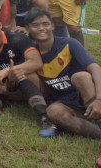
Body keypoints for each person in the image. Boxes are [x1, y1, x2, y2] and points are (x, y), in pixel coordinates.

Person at [25, 8, 101, 141]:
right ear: (28, 28)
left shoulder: (69, 43)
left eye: (45, 24)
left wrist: (99, 99)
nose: (41, 28)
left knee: (81, 77)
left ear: (53, 26)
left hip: (85, 93)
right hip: (65, 101)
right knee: (53, 111)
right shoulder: (31, 54)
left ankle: (98, 115)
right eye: (35, 25)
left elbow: (94, 68)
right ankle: (96, 134)